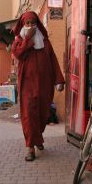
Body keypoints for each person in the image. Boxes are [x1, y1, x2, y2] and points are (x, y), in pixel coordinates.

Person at [11, 10, 65, 161]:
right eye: (27, 23)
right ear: (23, 25)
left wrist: (59, 80)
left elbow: (53, 61)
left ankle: (38, 138)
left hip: (44, 85)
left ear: (37, 24)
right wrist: (27, 39)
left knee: (42, 115)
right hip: (27, 86)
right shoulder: (18, 40)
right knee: (29, 115)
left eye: (33, 23)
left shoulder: (45, 42)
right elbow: (18, 54)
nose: (30, 26)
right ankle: (30, 148)